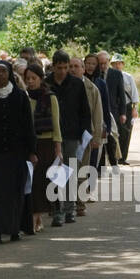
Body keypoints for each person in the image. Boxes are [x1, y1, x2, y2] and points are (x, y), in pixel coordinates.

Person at [0, 59, 35, 245]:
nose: (0, 75)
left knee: (14, 192)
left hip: (16, 153)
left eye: (3, 71)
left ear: (9, 73)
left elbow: (28, 126)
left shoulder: (20, 96)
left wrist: (31, 151)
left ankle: (14, 229)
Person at [49, 52, 91, 226]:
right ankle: (57, 210)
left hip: (72, 134)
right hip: (51, 135)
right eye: (59, 68)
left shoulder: (76, 84)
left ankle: (70, 208)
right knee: (55, 173)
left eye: (65, 68)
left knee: (70, 171)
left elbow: (84, 111)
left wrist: (84, 133)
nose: (63, 71)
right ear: (53, 67)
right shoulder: (47, 84)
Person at [24, 62, 62, 233]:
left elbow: (56, 124)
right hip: (31, 144)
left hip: (46, 143)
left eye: (34, 78)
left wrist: (58, 149)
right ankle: (34, 215)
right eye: (28, 79)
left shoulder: (50, 97)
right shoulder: (24, 97)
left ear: (40, 78)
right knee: (32, 182)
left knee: (42, 181)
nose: (31, 82)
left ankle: (39, 216)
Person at [73, 55, 105, 215]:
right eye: (70, 66)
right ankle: (63, 204)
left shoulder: (92, 89)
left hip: (85, 136)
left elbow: (98, 116)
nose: (73, 70)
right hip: (67, 135)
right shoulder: (61, 87)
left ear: (83, 69)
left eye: (76, 66)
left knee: (82, 168)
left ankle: (79, 203)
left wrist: (97, 138)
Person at [112, 53, 138, 163]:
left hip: (126, 106)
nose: (117, 66)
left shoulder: (128, 77)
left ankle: (123, 157)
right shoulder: (109, 76)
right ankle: (114, 156)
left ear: (122, 64)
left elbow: (134, 93)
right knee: (114, 132)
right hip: (114, 107)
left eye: (119, 63)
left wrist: (134, 108)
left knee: (126, 132)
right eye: (115, 63)